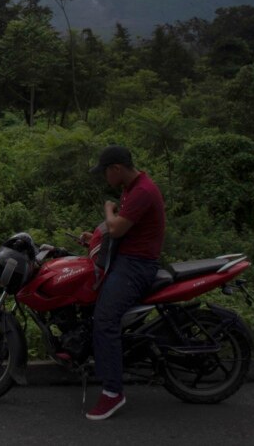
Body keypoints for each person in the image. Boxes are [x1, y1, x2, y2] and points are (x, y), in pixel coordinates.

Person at [82, 144, 165, 421]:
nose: (105, 177)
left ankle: (113, 393)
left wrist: (108, 209)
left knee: (104, 320)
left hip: (136, 267)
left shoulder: (141, 191)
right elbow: (123, 230)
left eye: (106, 171)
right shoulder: (133, 187)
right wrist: (94, 237)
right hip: (128, 260)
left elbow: (117, 228)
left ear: (117, 169)